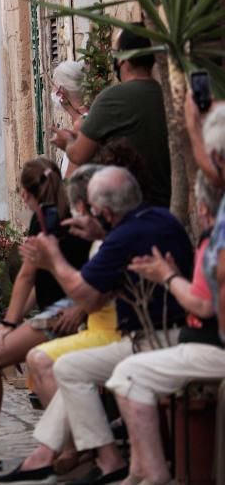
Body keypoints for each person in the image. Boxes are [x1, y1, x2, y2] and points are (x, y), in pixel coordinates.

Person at [5, 167, 192, 484]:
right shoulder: (159, 218)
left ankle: (106, 460)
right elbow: (124, 247)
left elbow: (85, 297)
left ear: (104, 211)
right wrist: (99, 233)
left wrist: (53, 260)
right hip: (158, 332)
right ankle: (115, 463)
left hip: (156, 337)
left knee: (76, 368)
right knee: (68, 367)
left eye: (93, 210)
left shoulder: (121, 238)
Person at [0, 159, 94, 479]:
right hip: (64, 308)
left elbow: (28, 275)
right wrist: (15, 319)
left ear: (26, 195)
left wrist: (9, 324)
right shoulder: (73, 213)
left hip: (63, 313)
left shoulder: (43, 223)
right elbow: (38, 284)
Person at [107, 171, 224, 485]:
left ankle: (155, 474)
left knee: (127, 374)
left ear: (201, 207)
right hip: (203, 342)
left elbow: (202, 306)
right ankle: (142, 471)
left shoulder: (213, 241)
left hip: (211, 346)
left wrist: (167, 278)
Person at [51, 29, 170, 207]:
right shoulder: (165, 96)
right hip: (166, 202)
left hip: (128, 207)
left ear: (124, 59)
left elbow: (78, 153)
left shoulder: (112, 98)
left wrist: (66, 142)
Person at [50, 60, 88, 177]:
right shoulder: (90, 116)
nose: (52, 92)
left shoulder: (82, 127)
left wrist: (68, 146)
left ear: (61, 92)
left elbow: (70, 179)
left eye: (53, 87)